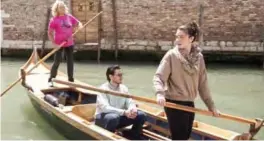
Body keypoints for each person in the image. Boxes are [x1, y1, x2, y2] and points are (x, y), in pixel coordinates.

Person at [153, 21, 220, 140]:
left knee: (186, 136)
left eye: (181, 37)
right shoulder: (171, 55)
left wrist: (211, 106)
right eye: (176, 37)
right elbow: (159, 77)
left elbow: (203, 84)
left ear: (191, 38)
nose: (177, 40)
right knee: (179, 138)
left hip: (189, 103)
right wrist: (160, 94)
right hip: (173, 103)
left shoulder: (199, 58)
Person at [95, 65, 147, 140]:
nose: (121, 77)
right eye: (119, 75)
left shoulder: (124, 88)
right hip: (104, 118)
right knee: (113, 117)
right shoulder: (102, 89)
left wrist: (133, 110)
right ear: (111, 76)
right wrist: (124, 112)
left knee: (142, 115)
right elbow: (105, 108)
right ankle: (109, 136)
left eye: (121, 75)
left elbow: (130, 102)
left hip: (119, 117)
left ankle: (133, 136)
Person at [47, 0, 82, 86]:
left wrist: (78, 27)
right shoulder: (54, 20)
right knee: (57, 62)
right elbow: (50, 33)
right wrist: (54, 44)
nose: (62, 8)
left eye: (63, 7)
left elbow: (78, 23)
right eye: (60, 7)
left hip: (69, 43)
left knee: (70, 61)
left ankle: (70, 79)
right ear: (57, 9)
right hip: (59, 44)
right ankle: (51, 79)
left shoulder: (69, 17)